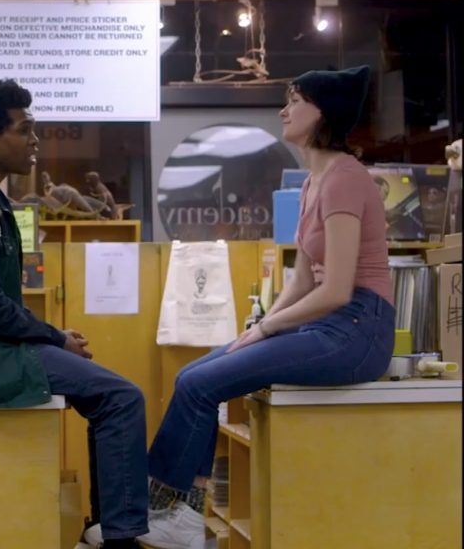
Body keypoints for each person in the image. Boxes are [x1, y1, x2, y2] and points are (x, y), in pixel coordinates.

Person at [139, 65, 394, 549]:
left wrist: (268, 327)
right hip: (333, 324)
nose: (284, 109)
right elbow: (302, 277)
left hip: (359, 329)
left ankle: (172, 512)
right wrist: (261, 325)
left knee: (199, 382)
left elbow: (337, 288)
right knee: (191, 377)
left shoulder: (344, 178)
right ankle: (178, 512)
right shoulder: (312, 184)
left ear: (324, 114)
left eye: (295, 100)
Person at [0, 78, 148, 549]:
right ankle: (119, 537)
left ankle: (108, 527)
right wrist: (54, 339)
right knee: (123, 398)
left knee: (103, 392)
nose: (35, 140)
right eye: (25, 128)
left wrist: (50, 336)